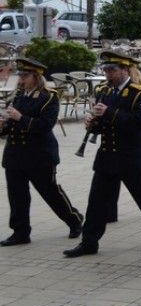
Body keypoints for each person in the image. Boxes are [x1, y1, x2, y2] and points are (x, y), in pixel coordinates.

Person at [63, 51, 141, 257]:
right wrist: (92, 125)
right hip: (108, 154)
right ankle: (89, 241)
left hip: (131, 153)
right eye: (106, 70)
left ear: (125, 70)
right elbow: (103, 124)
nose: (108, 75)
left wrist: (109, 113)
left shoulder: (140, 91)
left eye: (112, 70)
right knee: (96, 201)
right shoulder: (104, 90)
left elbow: (138, 122)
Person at [0, 58, 83, 246]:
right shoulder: (18, 94)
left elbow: (45, 125)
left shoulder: (48, 96)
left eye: (25, 75)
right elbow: (11, 123)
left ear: (36, 77)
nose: (21, 79)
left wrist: (20, 118)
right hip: (15, 153)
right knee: (17, 196)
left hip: (39, 154)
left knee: (50, 192)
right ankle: (20, 232)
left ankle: (74, 219)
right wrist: (3, 126)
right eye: (19, 75)